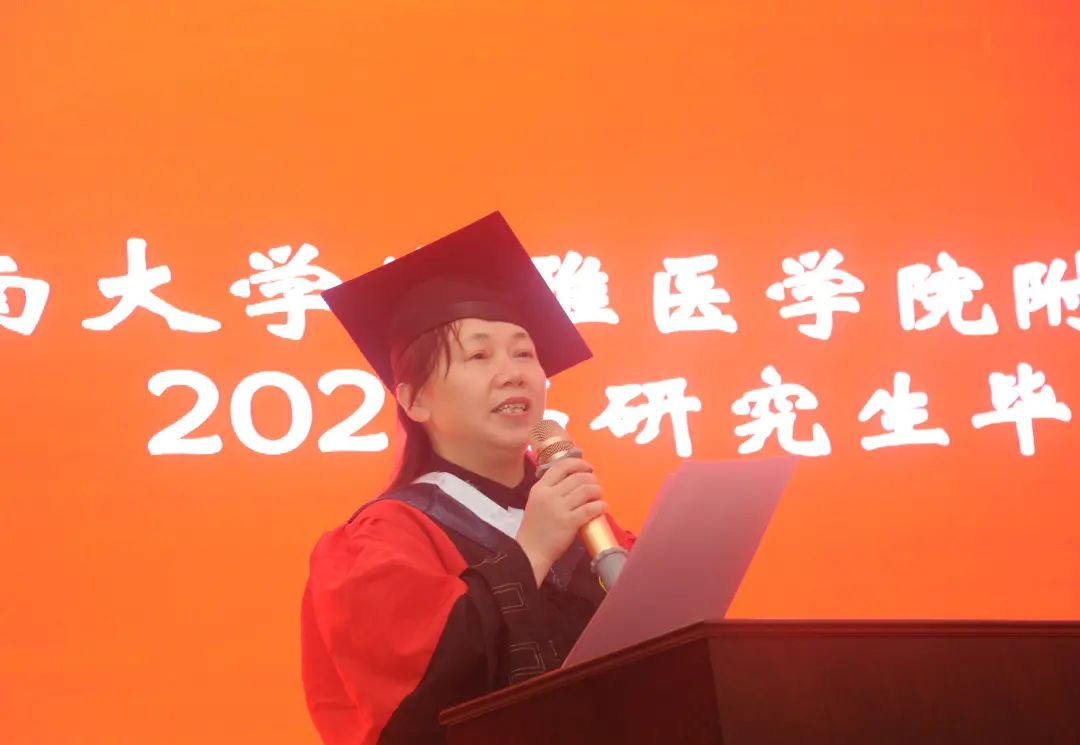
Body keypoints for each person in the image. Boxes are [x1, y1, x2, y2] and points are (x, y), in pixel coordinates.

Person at [300, 212, 635, 745]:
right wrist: (529, 555)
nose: (513, 372)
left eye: (524, 353)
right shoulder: (387, 538)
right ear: (414, 400)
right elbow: (412, 704)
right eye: (479, 354)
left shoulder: (589, 528)